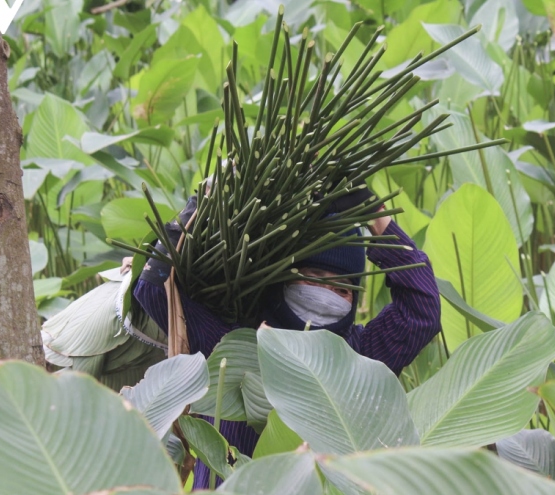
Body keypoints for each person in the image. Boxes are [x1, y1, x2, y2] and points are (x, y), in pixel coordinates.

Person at [131, 190, 441, 489]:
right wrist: (196, 213)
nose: (325, 296)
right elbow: (154, 288)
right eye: (314, 277)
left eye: (342, 289)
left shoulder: (360, 357)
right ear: (284, 278)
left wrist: (376, 217)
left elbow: (422, 310)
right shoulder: (235, 345)